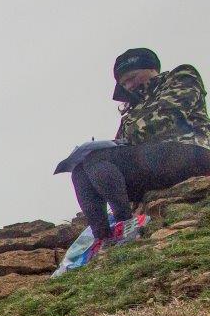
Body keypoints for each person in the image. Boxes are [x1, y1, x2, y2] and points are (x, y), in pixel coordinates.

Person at [71, 48, 210, 249]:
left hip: (189, 153)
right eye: (124, 83)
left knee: (98, 158)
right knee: (81, 169)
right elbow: (123, 144)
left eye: (132, 77)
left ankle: (126, 224)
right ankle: (104, 238)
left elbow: (166, 118)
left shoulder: (181, 75)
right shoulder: (132, 108)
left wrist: (117, 145)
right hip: (152, 163)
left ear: (152, 69)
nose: (129, 85)